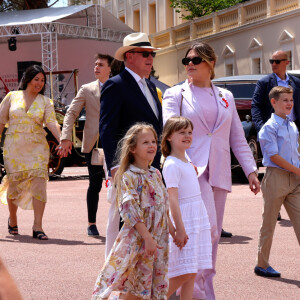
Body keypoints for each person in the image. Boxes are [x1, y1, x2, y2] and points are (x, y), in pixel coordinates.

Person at [163, 42, 260, 300]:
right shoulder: (176, 94)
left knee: (212, 237)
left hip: (219, 172)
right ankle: (194, 292)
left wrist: (251, 170)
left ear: (211, 63)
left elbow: (237, 137)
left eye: (195, 60)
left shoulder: (226, 97)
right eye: (186, 61)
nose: (189, 64)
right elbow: (169, 131)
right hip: (190, 172)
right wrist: (182, 161)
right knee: (207, 231)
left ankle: (197, 288)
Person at [99, 32, 162, 255]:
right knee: (119, 219)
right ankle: (113, 277)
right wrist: (116, 167)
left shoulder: (152, 87)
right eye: (145, 54)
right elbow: (108, 129)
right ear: (129, 57)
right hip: (125, 167)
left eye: (152, 54)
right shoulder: (115, 85)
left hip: (149, 167)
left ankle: (140, 277)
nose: (150, 58)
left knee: (147, 218)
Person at [91, 123, 170, 299]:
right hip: (139, 239)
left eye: (154, 141)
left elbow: (163, 204)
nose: (152, 145)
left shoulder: (155, 173)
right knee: (136, 287)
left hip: (157, 238)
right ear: (133, 148)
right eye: (146, 142)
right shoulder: (128, 176)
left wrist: (172, 229)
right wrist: (147, 238)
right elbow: (130, 211)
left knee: (147, 287)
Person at [0, 65, 60, 240]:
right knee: (14, 183)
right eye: (36, 79)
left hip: (37, 148)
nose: (40, 83)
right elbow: (1, 121)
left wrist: (63, 139)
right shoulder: (12, 97)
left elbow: (51, 123)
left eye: (42, 81)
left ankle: (38, 226)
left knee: (40, 182)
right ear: (28, 79)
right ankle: (13, 219)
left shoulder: (45, 101)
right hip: (14, 148)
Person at [57, 53, 113, 236]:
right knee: (95, 184)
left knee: (120, 185)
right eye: (95, 64)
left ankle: (122, 224)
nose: (96, 67)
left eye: (101, 65)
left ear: (110, 68)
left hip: (117, 144)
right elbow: (71, 112)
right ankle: (91, 223)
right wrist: (66, 136)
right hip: (95, 145)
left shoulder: (119, 87)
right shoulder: (87, 89)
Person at [161, 116, 212, 300]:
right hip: (185, 219)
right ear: (169, 137)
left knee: (192, 272)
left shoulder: (186, 161)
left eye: (190, 132)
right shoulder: (171, 163)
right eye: (181, 132)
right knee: (184, 273)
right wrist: (179, 229)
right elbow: (172, 199)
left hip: (195, 216)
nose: (187, 136)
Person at [254, 86, 300, 278]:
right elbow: (273, 156)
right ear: (274, 102)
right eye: (285, 100)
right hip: (276, 178)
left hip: (295, 180)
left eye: (291, 99)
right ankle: (262, 265)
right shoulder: (269, 128)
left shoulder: (292, 125)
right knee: (269, 224)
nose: (289, 103)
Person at [251, 50, 300, 221]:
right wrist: (261, 128)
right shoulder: (264, 82)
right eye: (271, 61)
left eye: (277, 61)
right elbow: (255, 106)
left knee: (295, 167)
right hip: (274, 131)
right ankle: (274, 205)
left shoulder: (296, 82)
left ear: (287, 62)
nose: (273, 64)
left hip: (293, 131)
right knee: (275, 167)